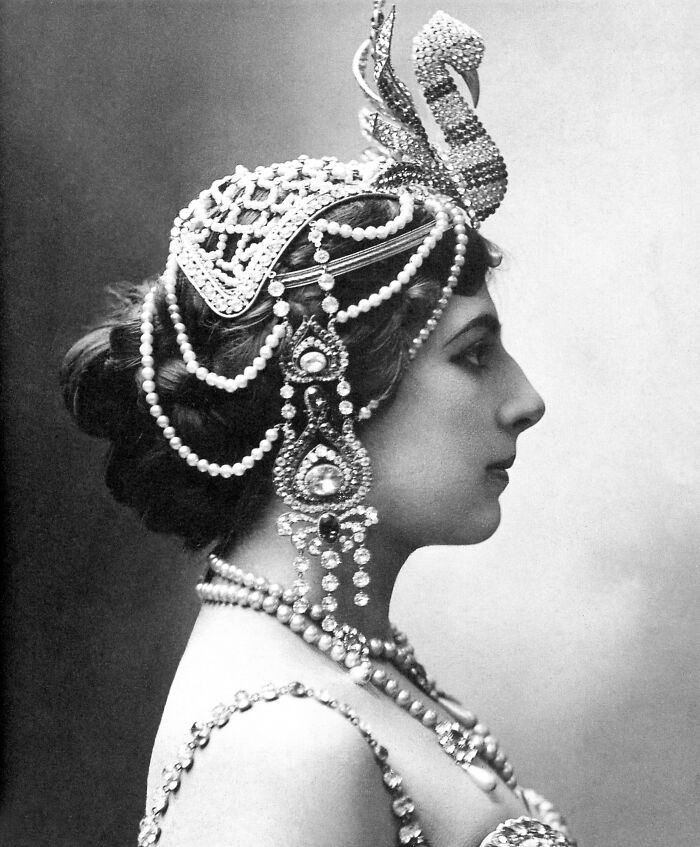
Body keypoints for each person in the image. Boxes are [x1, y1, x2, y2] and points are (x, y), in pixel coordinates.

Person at [61, 4, 577, 845]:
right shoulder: (282, 747)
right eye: (475, 355)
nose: (527, 400)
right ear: (329, 389)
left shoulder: (355, 666)